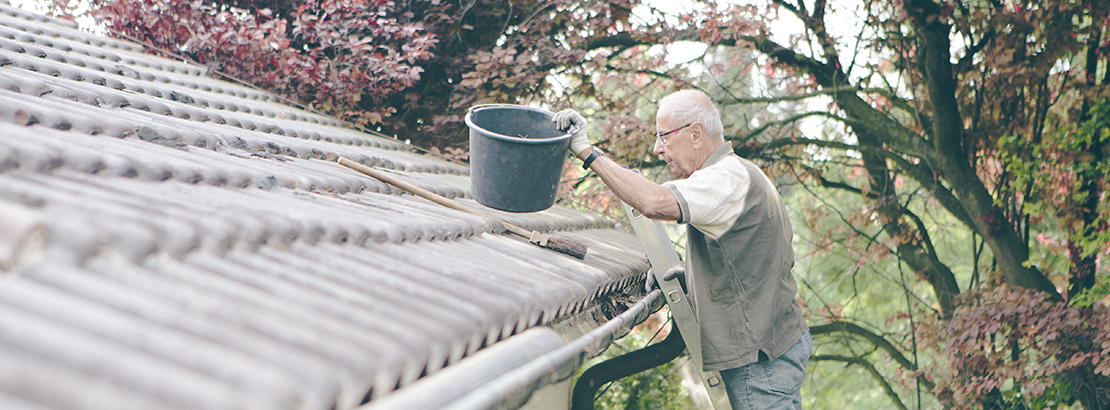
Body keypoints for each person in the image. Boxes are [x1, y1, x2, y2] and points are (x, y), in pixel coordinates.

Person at [553, 89, 811, 410]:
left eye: (663, 137)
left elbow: (653, 202)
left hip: (759, 362)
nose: (657, 148)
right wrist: (689, 276)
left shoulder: (725, 179)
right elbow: (744, 259)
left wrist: (586, 152)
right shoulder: (742, 171)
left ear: (695, 133)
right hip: (775, 347)